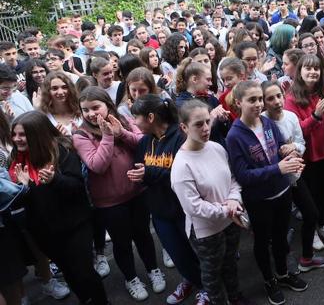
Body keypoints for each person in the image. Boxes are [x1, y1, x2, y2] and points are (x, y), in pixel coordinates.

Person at [73, 86, 165, 301]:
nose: (91, 114)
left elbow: (143, 143)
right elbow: (97, 165)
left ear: (108, 106)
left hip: (137, 192)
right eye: (85, 110)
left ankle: (153, 269)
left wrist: (120, 133)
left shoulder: (123, 120)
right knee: (121, 242)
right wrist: (107, 137)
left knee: (143, 235)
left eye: (96, 107)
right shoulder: (80, 135)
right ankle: (131, 278)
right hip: (109, 203)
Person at [9, 111, 108, 304]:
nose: (16, 139)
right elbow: (24, 202)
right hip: (45, 232)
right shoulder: (17, 158)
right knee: (70, 274)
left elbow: (77, 188)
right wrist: (22, 190)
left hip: (74, 226)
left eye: (22, 135)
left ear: (37, 134)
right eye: (14, 134)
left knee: (85, 273)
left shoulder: (61, 151)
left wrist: (53, 180)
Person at [225, 81, 308, 305]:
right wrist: (278, 168)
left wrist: (290, 158)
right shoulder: (234, 136)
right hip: (259, 200)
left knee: (281, 237)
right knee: (262, 241)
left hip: (282, 192)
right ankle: (269, 280)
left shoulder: (267, 122)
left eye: (260, 99)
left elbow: (281, 147)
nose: (259, 104)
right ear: (239, 102)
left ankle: (282, 273)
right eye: (252, 100)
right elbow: (243, 176)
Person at [170, 99, 252, 305]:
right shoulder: (181, 165)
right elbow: (193, 207)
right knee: (212, 274)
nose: (206, 128)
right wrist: (227, 210)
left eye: (208, 121)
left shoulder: (216, 147)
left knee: (230, 263)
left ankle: (235, 297)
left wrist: (234, 199)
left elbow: (232, 178)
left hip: (230, 221)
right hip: (206, 232)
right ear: (184, 127)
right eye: (198, 124)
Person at [130, 94, 208, 305]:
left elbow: (180, 173)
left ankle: (207, 287)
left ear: (151, 117)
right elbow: (142, 168)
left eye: (136, 117)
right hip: (159, 211)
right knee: (177, 253)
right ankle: (192, 280)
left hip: (185, 210)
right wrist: (142, 174)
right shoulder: (145, 142)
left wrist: (149, 174)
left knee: (199, 252)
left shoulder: (180, 137)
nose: (134, 123)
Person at [261, 81, 324, 271]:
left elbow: (301, 143)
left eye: (278, 96)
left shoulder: (291, 117)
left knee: (311, 214)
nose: (276, 101)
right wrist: (280, 154)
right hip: (275, 183)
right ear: (263, 102)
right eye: (270, 98)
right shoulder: (262, 122)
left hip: (294, 177)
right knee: (279, 227)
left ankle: (307, 259)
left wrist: (295, 148)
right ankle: (281, 268)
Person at [285, 53, 324, 251]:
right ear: (300, 72)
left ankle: (323, 224)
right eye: (308, 68)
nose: (313, 72)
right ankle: (311, 231)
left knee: (322, 192)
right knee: (308, 197)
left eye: (316, 69)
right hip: (306, 156)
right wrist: (316, 115)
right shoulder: (291, 99)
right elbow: (297, 131)